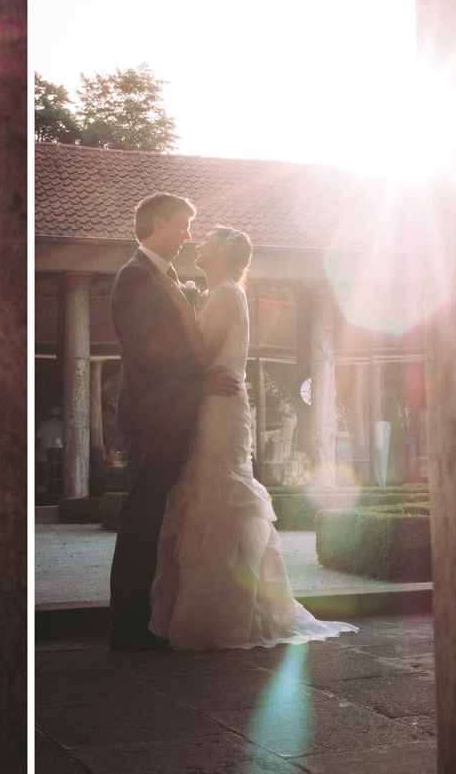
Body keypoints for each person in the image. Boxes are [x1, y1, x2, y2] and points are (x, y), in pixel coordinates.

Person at [149, 227, 358, 649]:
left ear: (225, 252)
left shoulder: (227, 293)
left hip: (220, 411)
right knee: (206, 493)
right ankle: (225, 608)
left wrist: (178, 306)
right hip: (211, 403)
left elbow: (202, 356)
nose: (197, 244)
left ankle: (223, 616)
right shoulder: (220, 293)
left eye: (206, 240)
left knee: (220, 494)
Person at [107, 193, 238, 651]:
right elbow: (147, 356)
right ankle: (127, 631)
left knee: (157, 521)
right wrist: (200, 385)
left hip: (169, 418)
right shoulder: (135, 277)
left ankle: (149, 621)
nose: (188, 236)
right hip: (153, 420)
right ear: (158, 223)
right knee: (141, 521)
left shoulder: (162, 276)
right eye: (183, 225)